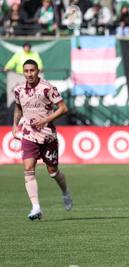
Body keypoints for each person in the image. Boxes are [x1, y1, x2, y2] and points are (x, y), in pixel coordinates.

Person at [12, 59, 73, 221]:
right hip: (28, 135)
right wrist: (15, 125)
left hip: (47, 136)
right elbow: (18, 107)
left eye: (32, 70)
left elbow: (63, 108)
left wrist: (46, 120)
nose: (29, 74)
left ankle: (65, 192)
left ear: (37, 71)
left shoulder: (47, 88)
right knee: (28, 169)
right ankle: (36, 207)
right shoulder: (18, 90)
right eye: (26, 71)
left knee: (53, 172)